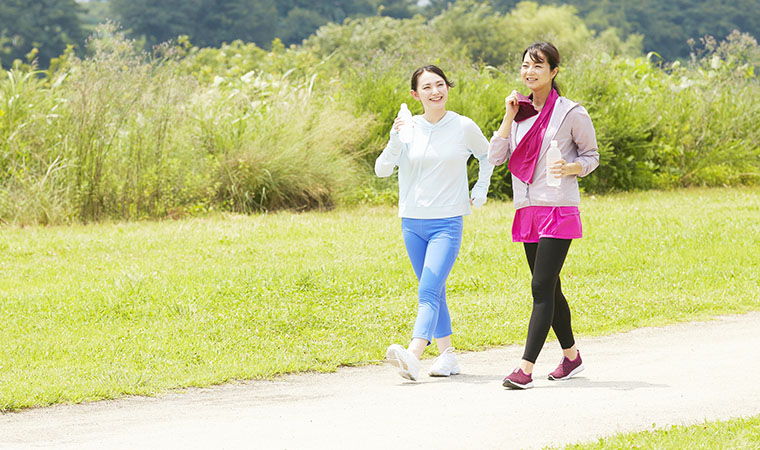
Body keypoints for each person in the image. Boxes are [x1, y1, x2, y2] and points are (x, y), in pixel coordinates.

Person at [488, 42, 600, 389]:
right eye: (525, 65)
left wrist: (572, 167)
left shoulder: (571, 113)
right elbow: (495, 157)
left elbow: (592, 156)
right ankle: (571, 357)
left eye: (538, 65)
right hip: (527, 209)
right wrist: (508, 116)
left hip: (559, 208)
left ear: (553, 72)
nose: (530, 71)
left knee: (540, 287)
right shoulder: (518, 113)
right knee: (551, 288)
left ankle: (524, 369)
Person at [376, 65, 494, 381]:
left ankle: (413, 355)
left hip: (447, 221)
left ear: (447, 88)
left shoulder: (463, 126)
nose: (435, 91)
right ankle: (448, 356)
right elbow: (382, 170)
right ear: (416, 94)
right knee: (434, 289)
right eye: (427, 87)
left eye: (440, 84)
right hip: (412, 222)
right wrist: (394, 140)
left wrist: (480, 189)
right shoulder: (407, 128)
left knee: (427, 290)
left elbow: (488, 156)